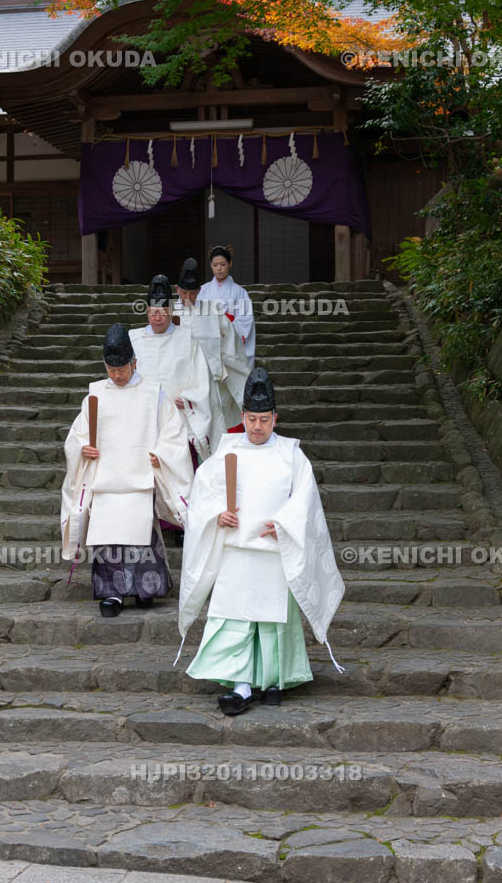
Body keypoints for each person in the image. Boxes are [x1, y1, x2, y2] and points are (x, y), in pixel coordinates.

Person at [176, 367, 345, 715]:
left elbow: (305, 500)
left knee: (271, 622)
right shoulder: (224, 453)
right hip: (235, 552)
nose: (257, 427)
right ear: (243, 417)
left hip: (273, 552)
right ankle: (239, 687)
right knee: (234, 619)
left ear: (274, 418)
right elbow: (203, 495)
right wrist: (216, 516)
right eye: (252, 419)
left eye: (264, 420)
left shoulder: (292, 455)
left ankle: (272, 681)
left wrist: (284, 523)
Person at [60, 323, 193, 618]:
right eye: (112, 369)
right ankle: (112, 593)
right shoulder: (94, 395)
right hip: (106, 480)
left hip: (139, 477)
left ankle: (146, 589)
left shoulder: (153, 394)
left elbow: (174, 432)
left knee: (140, 534)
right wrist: (83, 449)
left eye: (122, 368)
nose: (117, 375)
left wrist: (162, 454)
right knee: (109, 537)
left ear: (134, 363)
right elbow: (77, 436)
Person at [129, 274, 225, 464]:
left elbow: (200, 377)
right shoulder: (133, 339)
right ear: (147, 311)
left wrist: (191, 398)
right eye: (153, 312)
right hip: (142, 417)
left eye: (164, 312)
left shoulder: (187, 338)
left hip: (179, 417)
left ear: (172, 311)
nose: (158, 318)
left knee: (182, 474)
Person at [174, 256, 250, 431]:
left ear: (199, 290)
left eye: (192, 293)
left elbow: (232, 349)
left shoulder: (213, 310)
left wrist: (237, 376)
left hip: (212, 381)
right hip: (182, 383)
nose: (187, 297)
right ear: (177, 289)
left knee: (215, 428)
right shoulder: (171, 314)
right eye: (184, 292)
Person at [197, 244, 255, 368]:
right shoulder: (202, 290)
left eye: (223, 264)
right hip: (208, 339)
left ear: (230, 264)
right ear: (210, 266)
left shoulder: (240, 292)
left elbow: (245, 319)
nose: (219, 268)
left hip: (231, 339)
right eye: (215, 265)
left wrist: (226, 327)